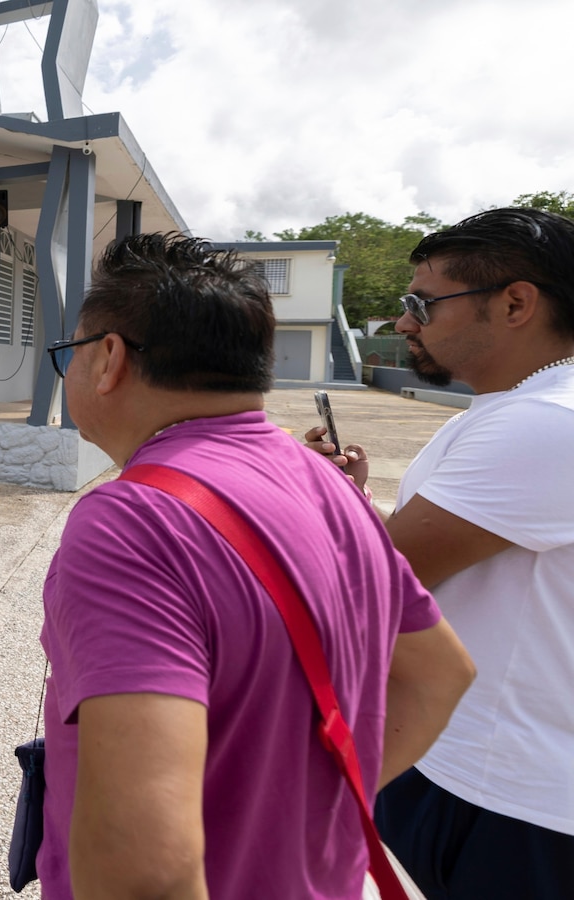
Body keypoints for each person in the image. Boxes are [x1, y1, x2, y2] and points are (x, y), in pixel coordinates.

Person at [38, 232, 474, 899]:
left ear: (108, 360)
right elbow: (440, 674)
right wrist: (294, 813)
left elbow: (145, 875)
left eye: (67, 353)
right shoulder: (325, 481)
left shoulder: (132, 521)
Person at [310, 207, 574, 898]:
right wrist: (354, 505)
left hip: (508, 798)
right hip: (484, 767)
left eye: (421, 302)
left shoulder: (543, 424)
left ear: (516, 303)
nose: (403, 324)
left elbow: (370, 582)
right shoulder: (524, 410)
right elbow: (421, 558)